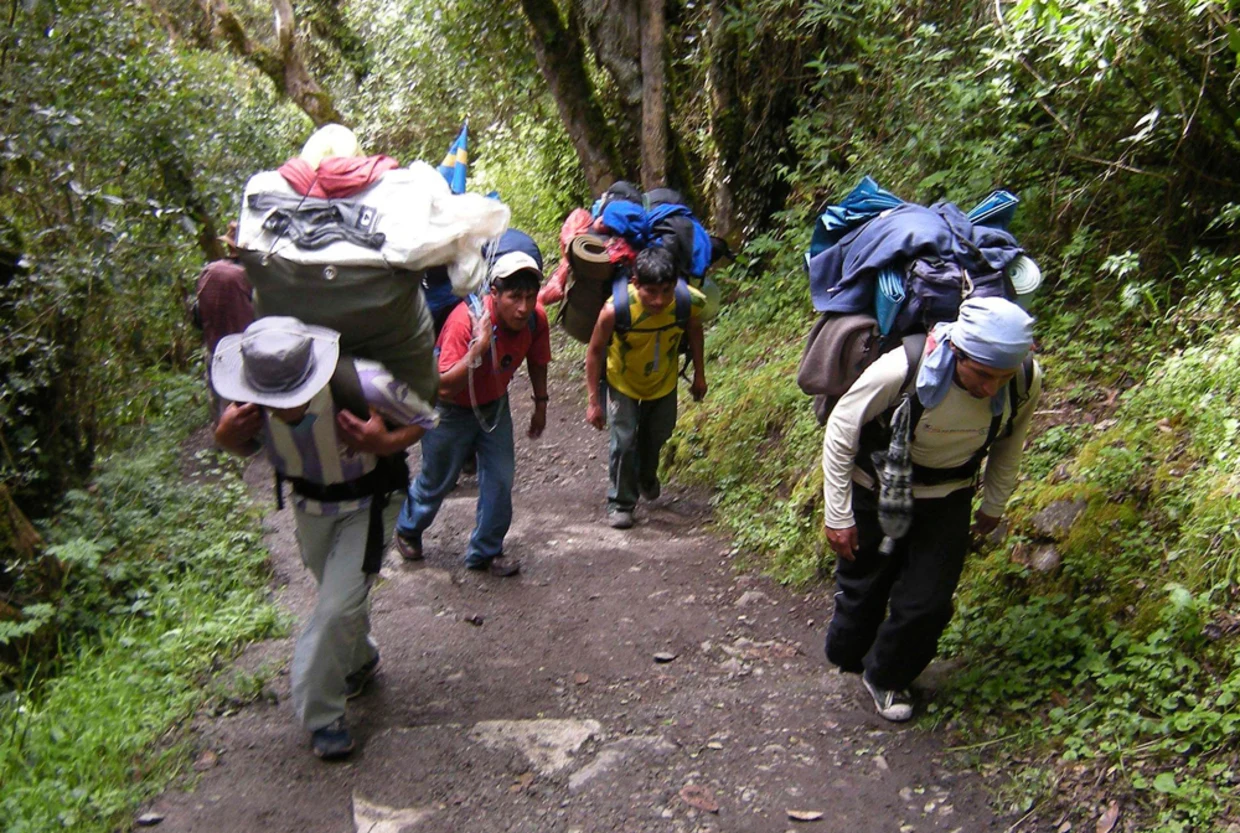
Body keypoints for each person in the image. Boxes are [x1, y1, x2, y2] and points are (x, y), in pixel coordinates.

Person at [212, 316, 437, 759]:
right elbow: (249, 447)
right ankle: (359, 660)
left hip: (369, 504)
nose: (277, 406)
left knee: (335, 606)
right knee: (337, 596)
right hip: (308, 506)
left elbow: (427, 417)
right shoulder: (249, 397)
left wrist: (384, 443)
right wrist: (226, 439)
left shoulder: (364, 384)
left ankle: (322, 714)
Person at [821, 296, 1042, 722]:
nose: (990, 389)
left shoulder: (1026, 379)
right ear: (956, 351)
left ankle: (887, 676)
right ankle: (852, 649)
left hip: (949, 497)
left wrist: (994, 504)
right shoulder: (903, 368)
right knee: (862, 593)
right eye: (981, 374)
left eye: (1002, 377)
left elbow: (1010, 444)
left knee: (928, 603)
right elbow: (842, 428)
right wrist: (838, 514)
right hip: (877, 489)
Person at [393, 251, 552, 576]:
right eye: (514, 297)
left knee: (499, 478)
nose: (523, 307)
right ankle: (408, 528)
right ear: (494, 293)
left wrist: (540, 403)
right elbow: (442, 386)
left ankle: (486, 551)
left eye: (529, 296)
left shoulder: (535, 319)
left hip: (494, 406)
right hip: (449, 411)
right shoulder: (464, 323)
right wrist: (477, 351)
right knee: (437, 479)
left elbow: (537, 359)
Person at [584, 246, 707, 529]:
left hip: (663, 382)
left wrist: (700, 374)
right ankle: (621, 503)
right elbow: (594, 352)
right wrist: (594, 401)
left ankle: (645, 477)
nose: (659, 300)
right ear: (635, 283)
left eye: (666, 290)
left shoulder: (687, 304)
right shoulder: (615, 310)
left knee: (659, 434)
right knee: (624, 442)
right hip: (622, 383)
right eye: (650, 291)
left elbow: (695, 334)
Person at [193, 221, 254, 420]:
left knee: (224, 404)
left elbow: (196, 315)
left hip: (216, 349)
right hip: (247, 351)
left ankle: (224, 440)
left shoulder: (209, 271)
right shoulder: (250, 276)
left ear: (229, 245)